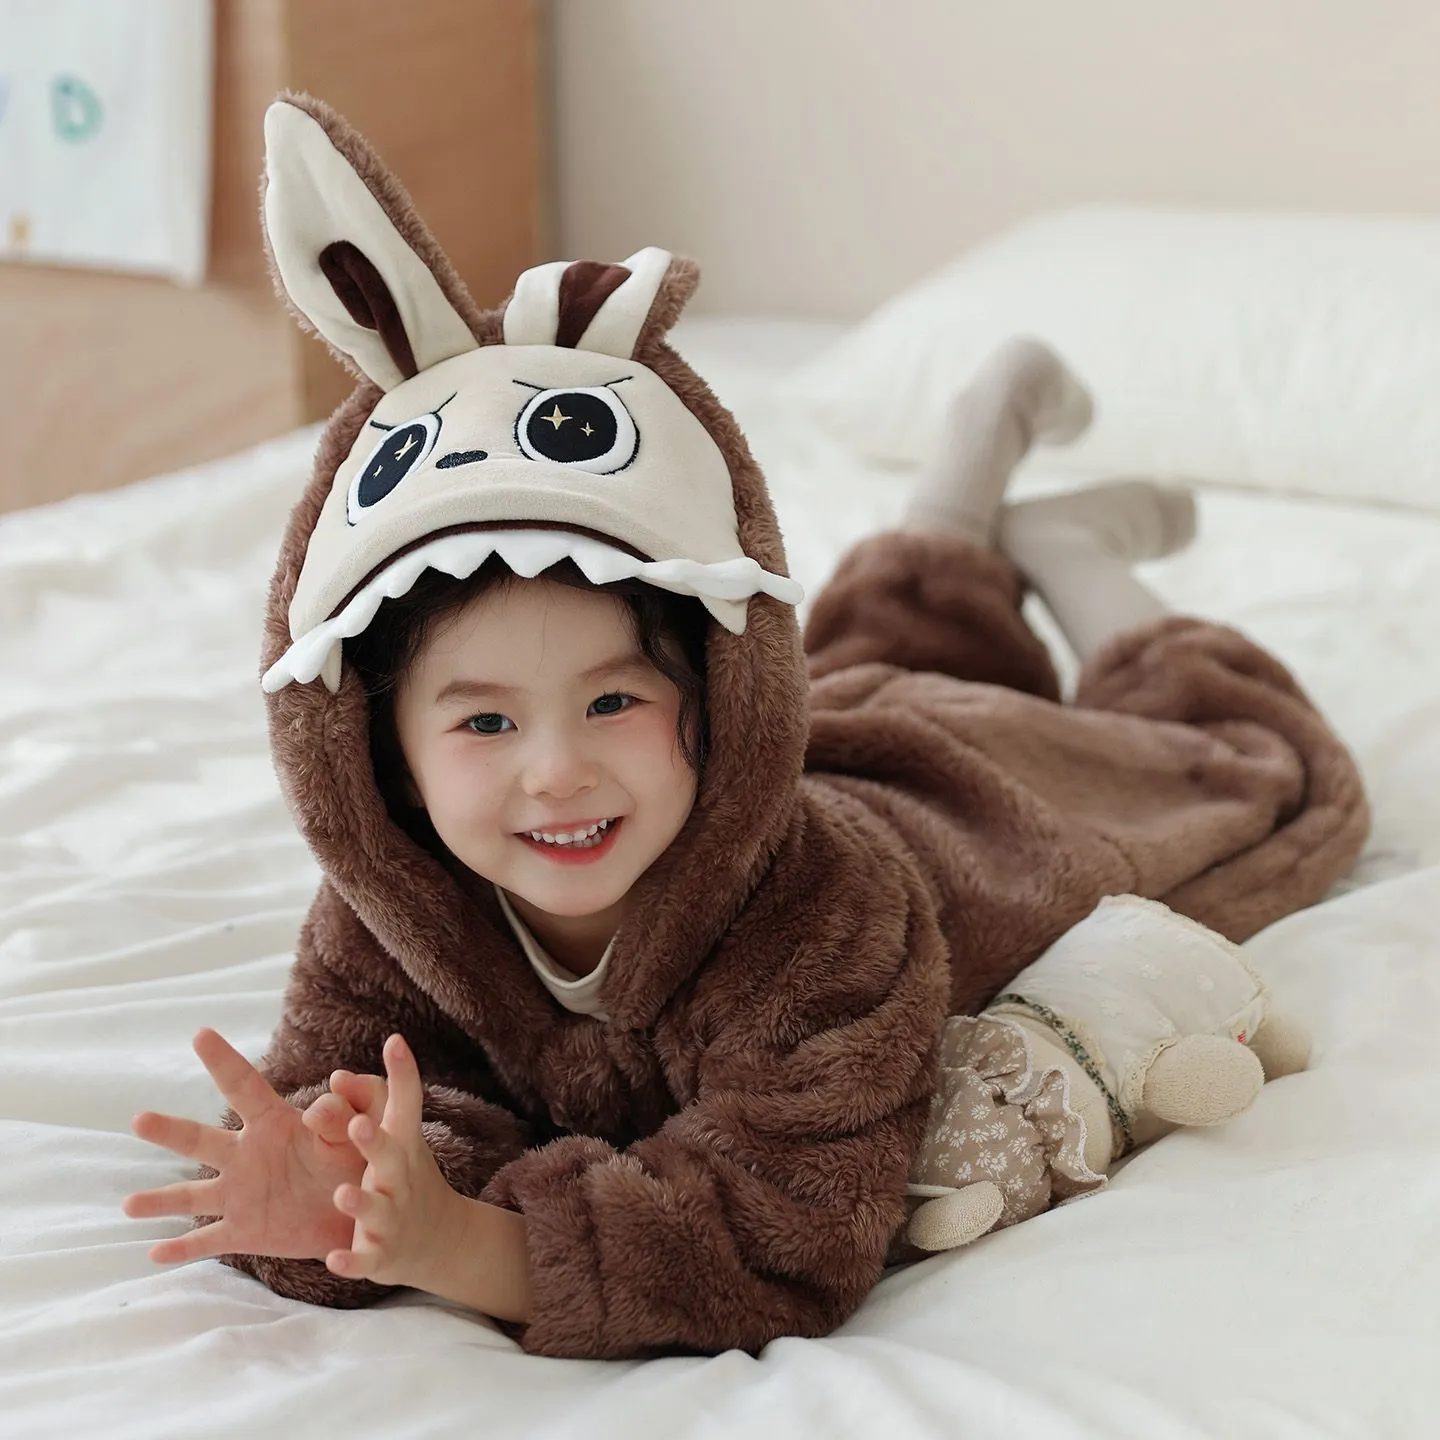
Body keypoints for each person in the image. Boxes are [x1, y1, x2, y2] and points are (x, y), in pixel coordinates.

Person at [122, 96, 1368, 1361]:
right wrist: (339, 1195)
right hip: (839, 721)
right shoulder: (387, 918)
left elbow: (786, 1233)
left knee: (1239, 759)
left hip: (966, 810)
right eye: (485, 721)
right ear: (382, 755)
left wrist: (465, 1246)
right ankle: (969, 505)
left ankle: (1067, 541)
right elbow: (354, 1110)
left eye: (614, 701)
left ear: (721, 697)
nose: (555, 771)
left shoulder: (828, 922)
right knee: (874, 657)